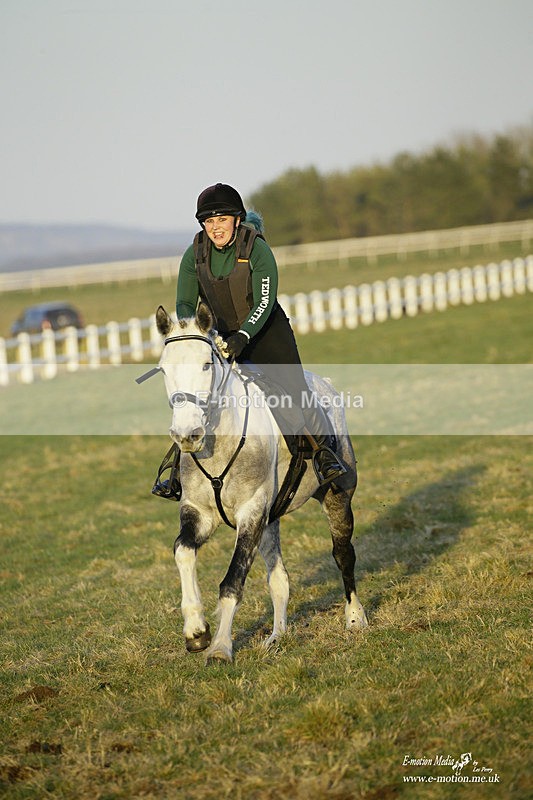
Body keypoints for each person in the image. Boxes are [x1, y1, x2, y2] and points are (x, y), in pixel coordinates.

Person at [152, 183, 346, 499]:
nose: (215, 228)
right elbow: (185, 304)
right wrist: (194, 337)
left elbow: (265, 301)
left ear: (237, 220)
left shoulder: (257, 249)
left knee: (294, 389)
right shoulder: (194, 254)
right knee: (199, 397)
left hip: (267, 332)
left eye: (222, 220)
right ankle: (177, 473)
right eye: (209, 221)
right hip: (221, 337)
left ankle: (325, 454)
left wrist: (243, 336)